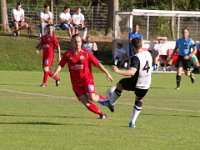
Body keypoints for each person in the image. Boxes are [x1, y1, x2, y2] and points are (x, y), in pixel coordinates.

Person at [52, 34, 113, 119]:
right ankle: (102, 114)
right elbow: (61, 65)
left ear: (81, 43)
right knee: (85, 102)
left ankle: (106, 101)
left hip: (87, 80)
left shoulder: (86, 53)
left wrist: (107, 73)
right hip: (76, 84)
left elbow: (97, 64)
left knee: (92, 98)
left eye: (79, 41)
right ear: (72, 43)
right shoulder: (68, 55)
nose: (77, 43)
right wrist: (56, 72)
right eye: (75, 42)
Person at [101, 38, 152, 128]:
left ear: (133, 47)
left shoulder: (136, 58)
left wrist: (118, 71)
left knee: (120, 84)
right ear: (141, 45)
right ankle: (132, 122)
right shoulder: (148, 53)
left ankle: (111, 102)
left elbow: (132, 72)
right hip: (146, 83)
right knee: (139, 100)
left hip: (136, 82)